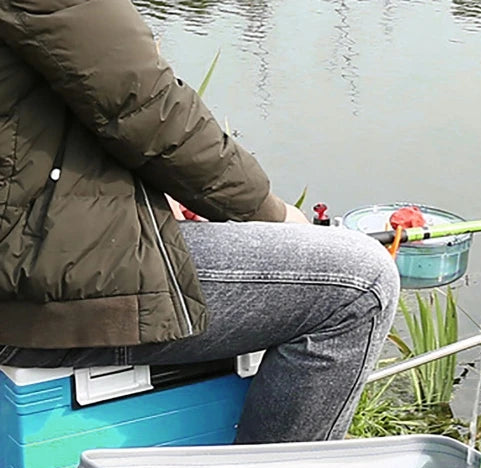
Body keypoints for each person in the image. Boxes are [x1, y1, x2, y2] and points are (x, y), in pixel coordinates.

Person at [0, 0, 399, 443]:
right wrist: (275, 215)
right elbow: (147, 106)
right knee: (359, 285)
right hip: (28, 291)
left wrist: (141, 194)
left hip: (22, 259)